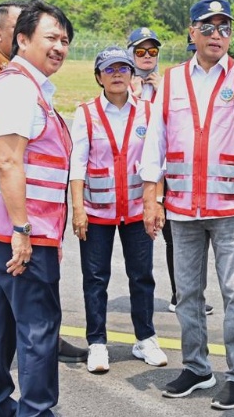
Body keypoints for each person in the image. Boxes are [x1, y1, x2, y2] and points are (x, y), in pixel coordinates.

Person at [140, 0, 234, 410]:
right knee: (187, 294)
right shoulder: (173, 79)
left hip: (232, 208)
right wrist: (152, 195)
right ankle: (198, 368)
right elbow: (156, 140)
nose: (218, 35)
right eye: (209, 26)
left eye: (225, 28)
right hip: (183, 208)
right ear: (192, 32)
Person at [0, 0, 75, 416]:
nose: (60, 47)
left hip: (2, 227)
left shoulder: (28, 87)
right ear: (23, 39)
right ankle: (36, 410)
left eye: (65, 40)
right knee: (38, 327)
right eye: (51, 37)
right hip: (17, 231)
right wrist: (24, 231)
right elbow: (11, 160)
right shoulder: (17, 87)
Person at [69, 46, 167, 373]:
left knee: (142, 277)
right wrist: (78, 209)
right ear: (98, 76)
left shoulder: (149, 111)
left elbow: (158, 162)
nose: (117, 75)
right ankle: (97, 342)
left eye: (123, 69)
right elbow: (77, 165)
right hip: (97, 212)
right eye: (109, 70)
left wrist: (156, 203)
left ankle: (145, 338)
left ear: (132, 74)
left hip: (138, 210)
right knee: (95, 278)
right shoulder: (85, 113)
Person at [127, 27, 162, 103]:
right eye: (140, 52)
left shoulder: (167, 83)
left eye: (153, 51)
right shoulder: (121, 84)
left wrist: (163, 92)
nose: (147, 56)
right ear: (131, 55)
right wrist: (135, 94)